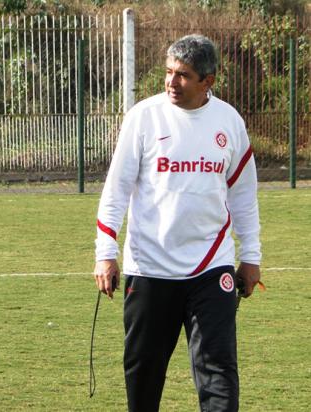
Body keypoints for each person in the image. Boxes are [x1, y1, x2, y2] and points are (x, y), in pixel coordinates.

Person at [93, 34, 262, 412]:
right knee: (144, 372)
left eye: (183, 75)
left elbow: (244, 196)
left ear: (208, 81)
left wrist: (250, 255)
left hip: (211, 266)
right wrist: (105, 253)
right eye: (169, 72)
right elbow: (116, 189)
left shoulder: (228, 122)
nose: (171, 82)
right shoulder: (143, 117)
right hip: (150, 266)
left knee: (218, 371)